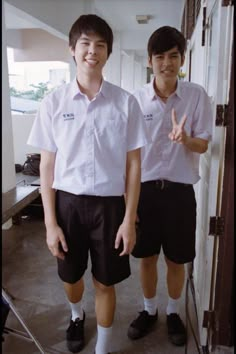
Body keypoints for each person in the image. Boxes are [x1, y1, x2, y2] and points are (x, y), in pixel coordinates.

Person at [27, 14, 148, 354]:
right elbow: (47, 166)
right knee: (71, 277)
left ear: (108, 52)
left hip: (110, 206)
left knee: (105, 281)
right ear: (72, 49)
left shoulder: (126, 103)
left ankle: (104, 348)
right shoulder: (54, 102)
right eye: (85, 43)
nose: (92, 51)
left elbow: (134, 165)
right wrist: (50, 223)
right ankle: (77, 315)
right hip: (68, 204)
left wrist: (128, 218)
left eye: (100, 45)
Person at [127, 26, 213, 346]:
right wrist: (128, 203)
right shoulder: (135, 100)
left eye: (173, 56)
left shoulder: (196, 96)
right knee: (146, 256)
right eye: (160, 57)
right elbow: (128, 154)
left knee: (177, 259)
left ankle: (173, 311)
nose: (167, 63)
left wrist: (185, 138)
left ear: (182, 59)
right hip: (145, 191)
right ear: (150, 61)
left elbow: (203, 146)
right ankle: (149, 310)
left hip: (179, 192)